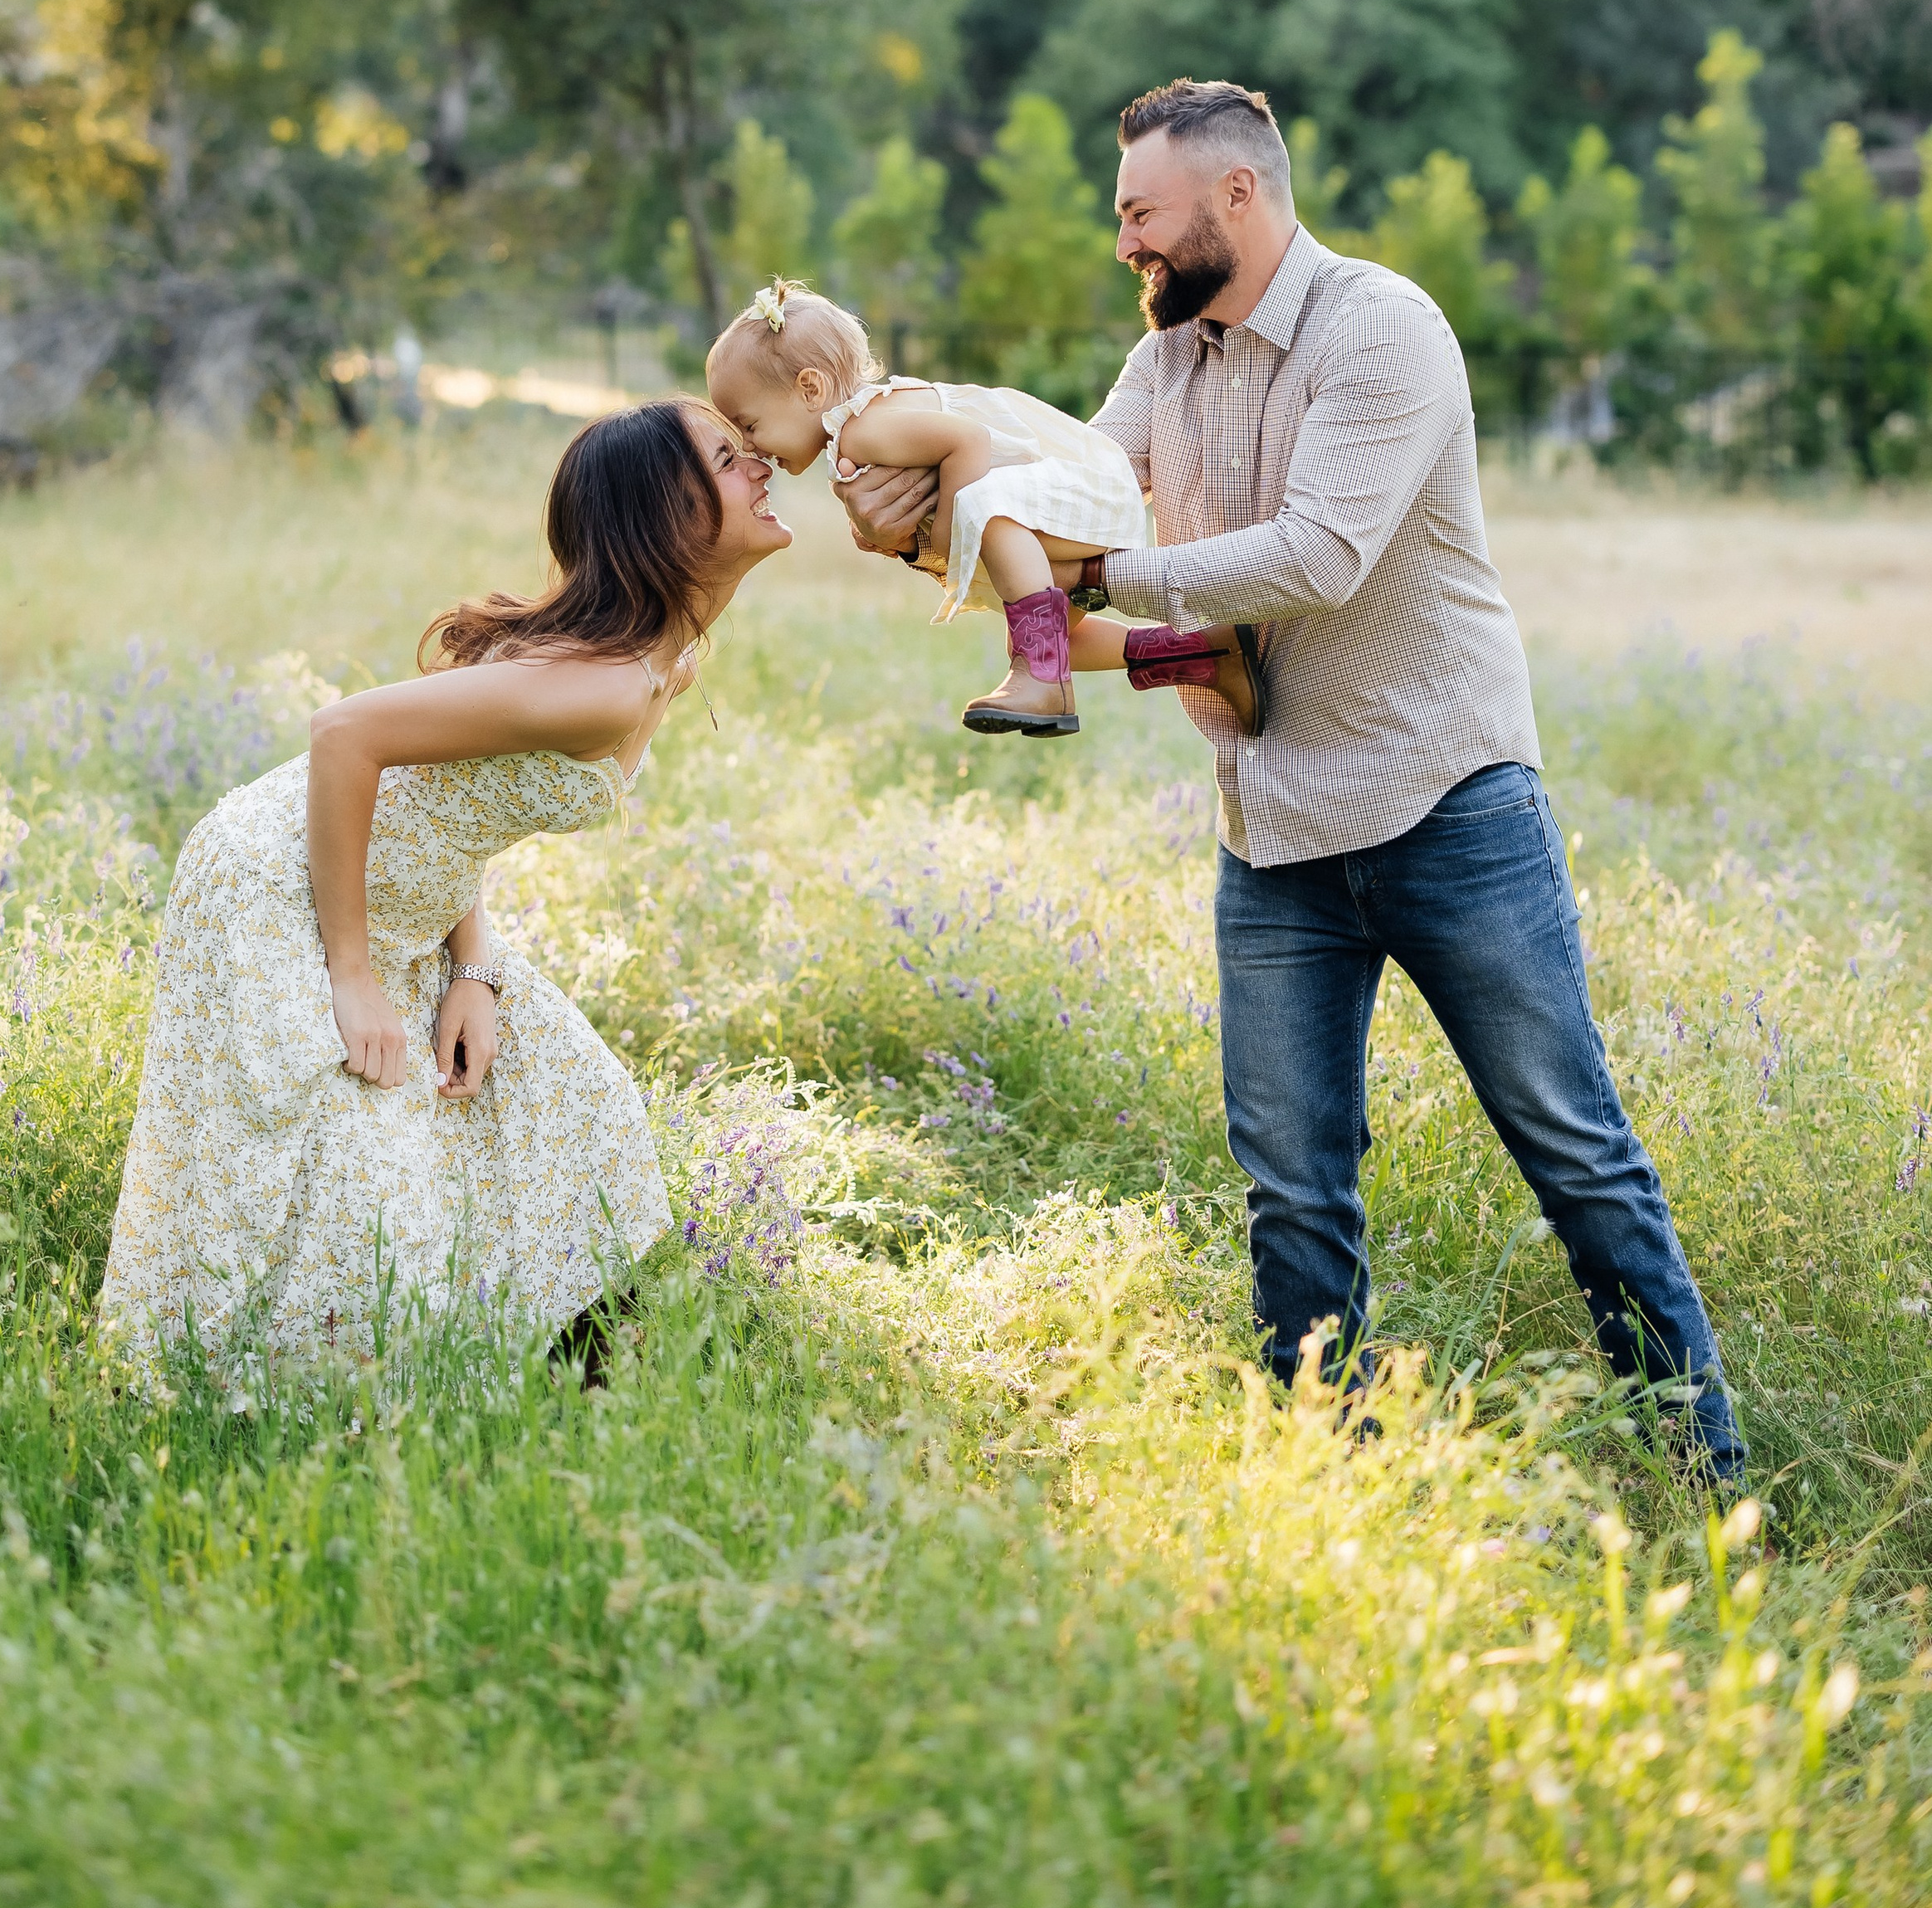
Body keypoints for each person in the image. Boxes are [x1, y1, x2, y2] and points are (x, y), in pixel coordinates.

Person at [837, 77, 1745, 1480]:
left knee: (1574, 1151)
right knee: (1295, 1193)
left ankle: (1708, 1481)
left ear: (1237, 196)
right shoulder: (1164, 365)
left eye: (1143, 212)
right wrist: (932, 525)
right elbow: (1067, 521)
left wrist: (1083, 565)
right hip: (1269, 834)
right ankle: (1324, 1488)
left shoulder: (1384, 328)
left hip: (1446, 804)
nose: (1125, 240)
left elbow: (1319, 555)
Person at [101, 399, 791, 1370]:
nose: (762, 467)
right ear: (670, 516)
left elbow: (449, 804)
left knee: (574, 1096)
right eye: (730, 459)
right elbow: (346, 737)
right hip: (278, 883)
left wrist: (473, 973)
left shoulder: (653, 664)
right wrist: (353, 977)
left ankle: (580, 1394)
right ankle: (223, 1390)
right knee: (344, 1171)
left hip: (411, 912)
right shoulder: (603, 686)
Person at [705, 276, 1261, 738]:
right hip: (1081, 499)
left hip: (1082, 496)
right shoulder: (868, 425)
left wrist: (950, 540)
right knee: (1046, 632)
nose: (751, 448)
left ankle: (1045, 681)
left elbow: (967, 443)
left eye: (749, 426)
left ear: (810, 389)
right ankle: (1205, 654)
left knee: (988, 515)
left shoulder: (862, 430)